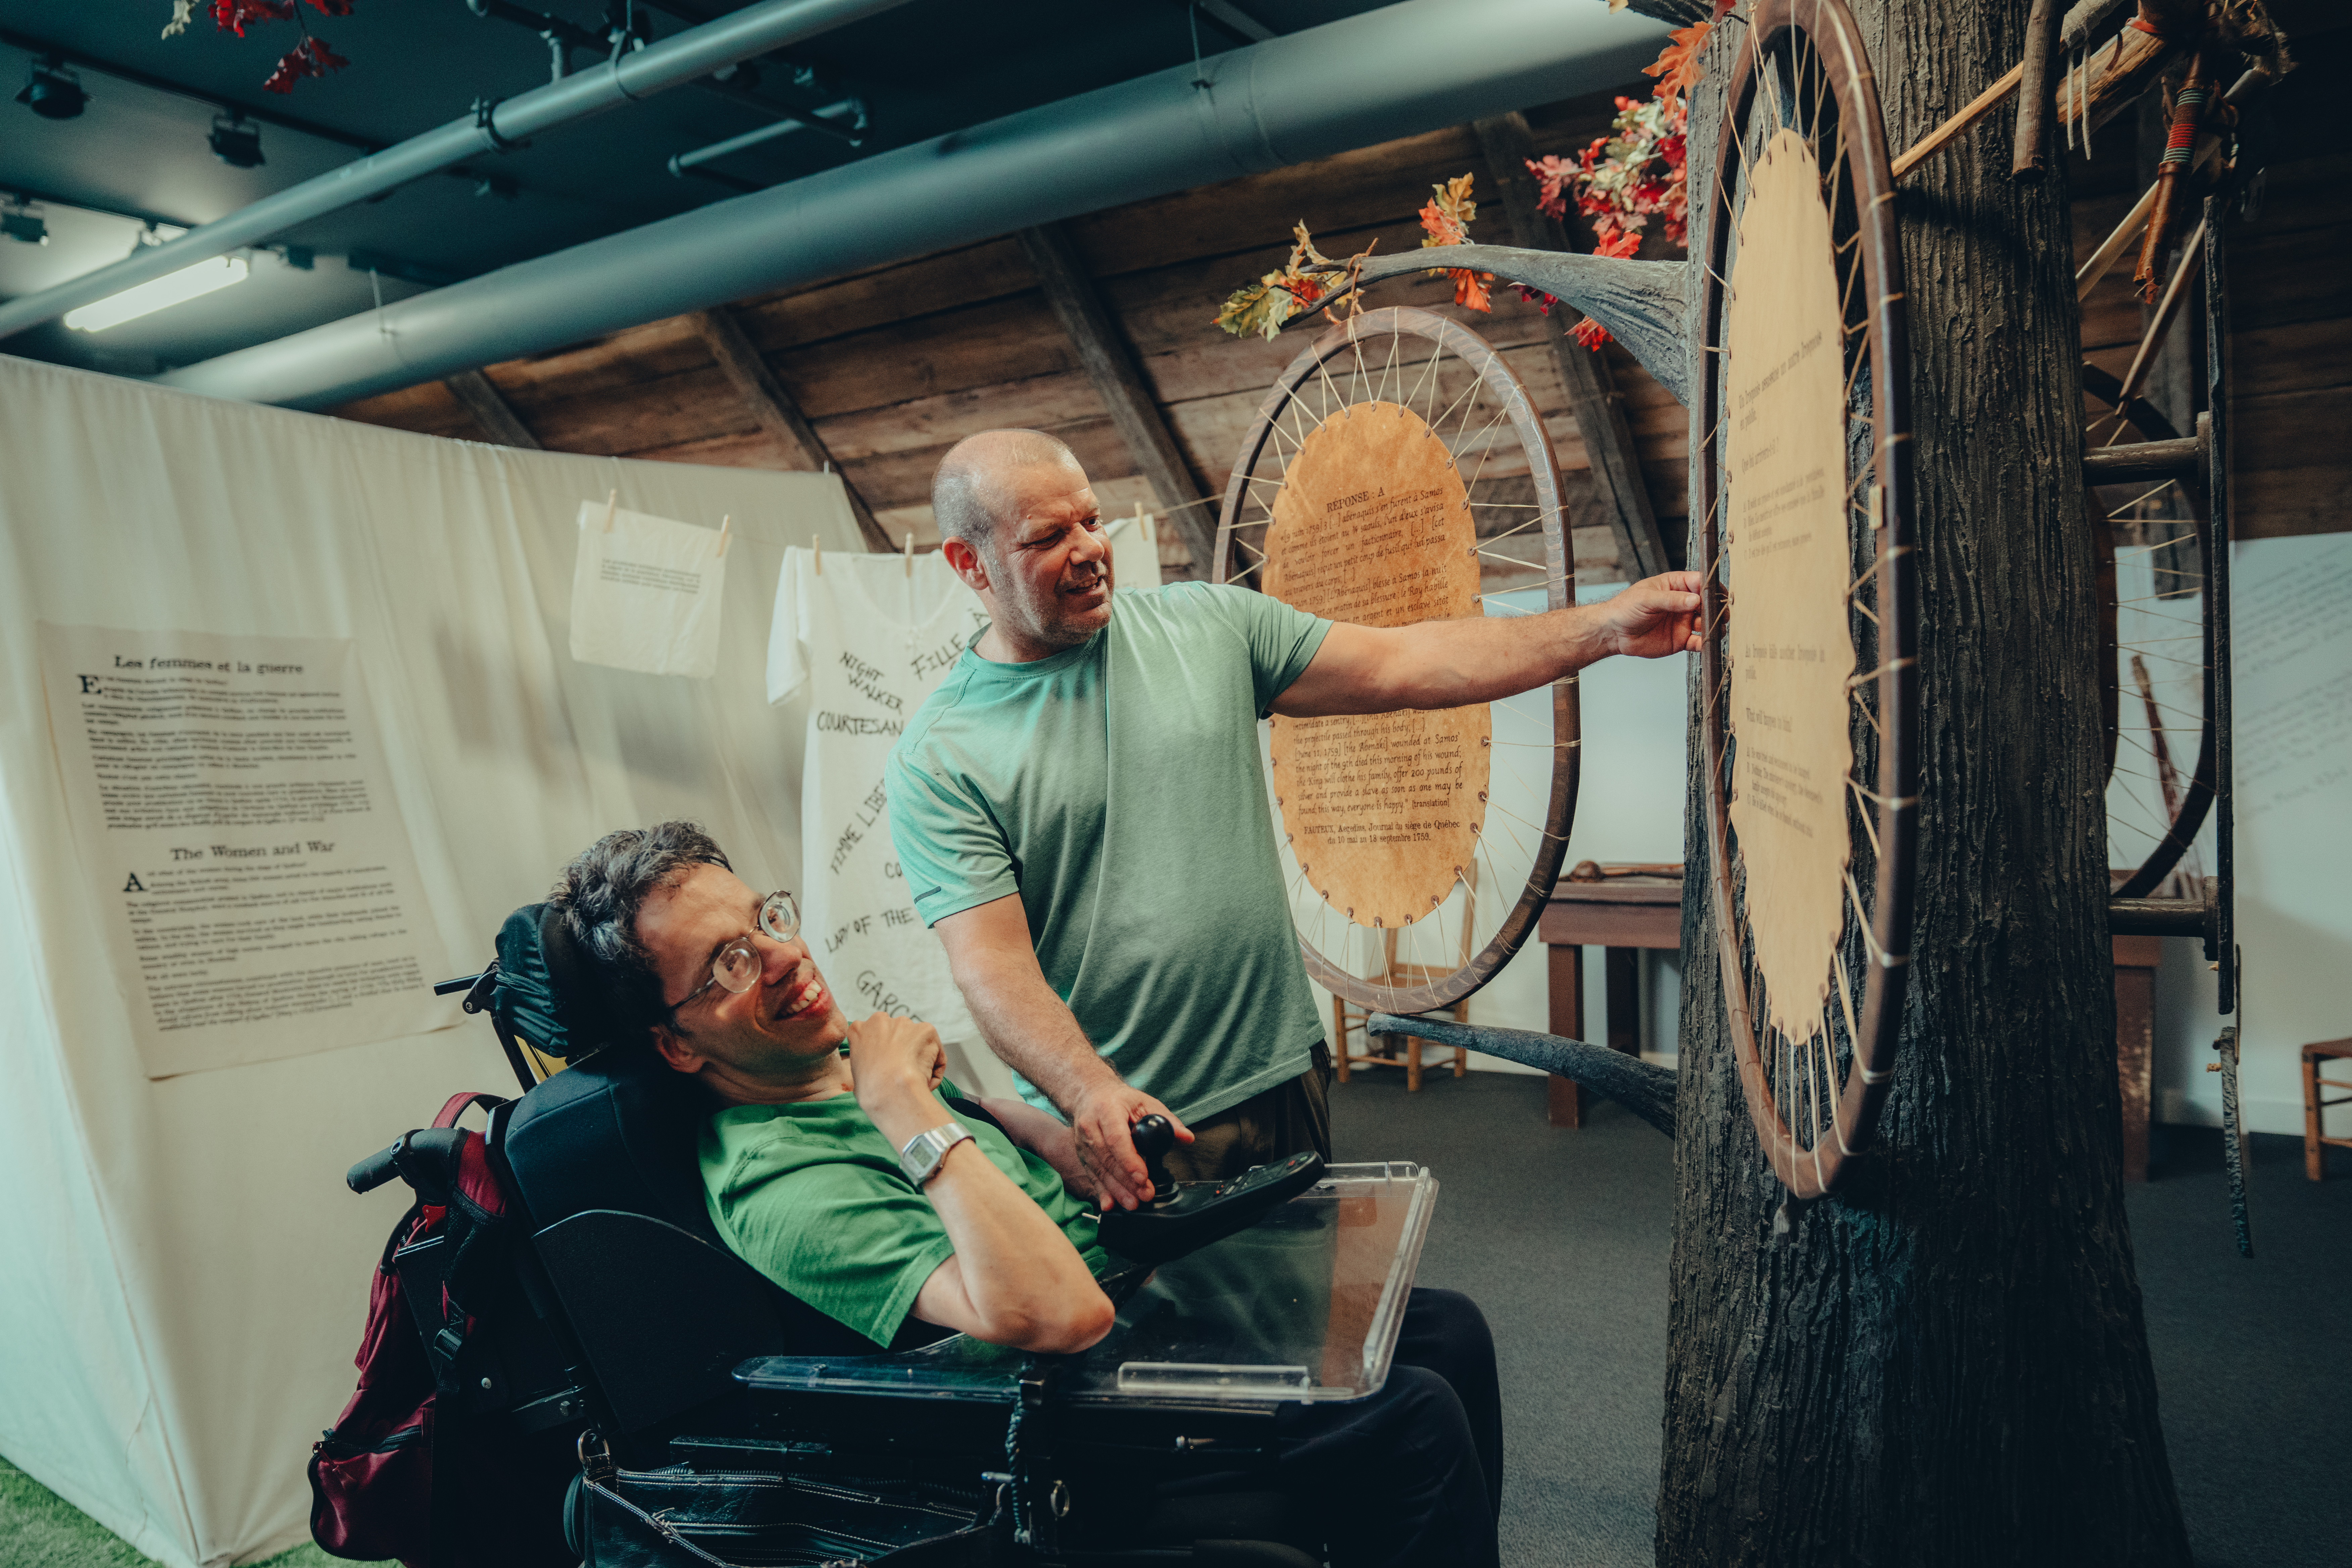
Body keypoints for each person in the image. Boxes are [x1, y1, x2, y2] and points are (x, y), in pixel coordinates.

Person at [544, 820, 1505, 1568]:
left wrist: (1031, 1128)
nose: (782, 956)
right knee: (1409, 1420)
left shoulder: (834, 1068)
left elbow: (971, 1156)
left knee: (1447, 1328)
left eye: (764, 920)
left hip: (1135, 1310)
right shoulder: (777, 1182)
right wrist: (903, 1102)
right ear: (676, 1044)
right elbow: (1060, 1314)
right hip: (1063, 1411)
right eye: (728, 965)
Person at [887, 428, 1703, 1208]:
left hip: (1285, 1074)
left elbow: (1406, 663)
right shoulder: (941, 754)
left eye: (1093, 519)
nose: (1091, 548)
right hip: (1131, 1120)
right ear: (972, 563)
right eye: (1047, 536)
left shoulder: (1207, 625)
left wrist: (1603, 627)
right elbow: (992, 968)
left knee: (1317, 1320)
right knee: (1175, 1349)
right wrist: (1088, 1088)